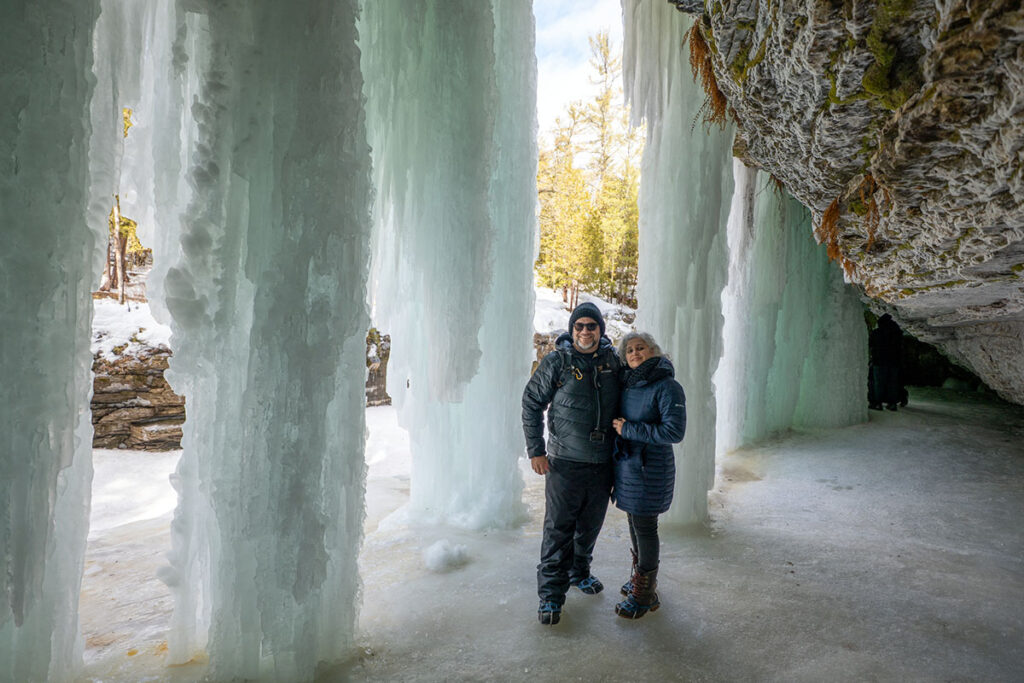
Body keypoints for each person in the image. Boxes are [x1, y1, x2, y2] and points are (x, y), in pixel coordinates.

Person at [522, 301, 621, 626]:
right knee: (558, 529)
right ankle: (550, 595)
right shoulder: (558, 361)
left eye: (591, 326)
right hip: (565, 461)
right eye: (579, 326)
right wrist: (536, 449)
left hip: (602, 463)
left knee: (589, 526)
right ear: (572, 330)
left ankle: (580, 573)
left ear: (600, 330)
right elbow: (532, 402)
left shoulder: (612, 362)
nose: (585, 332)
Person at [610, 331, 686, 619]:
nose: (634, 354)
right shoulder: (630, 384)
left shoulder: (668, 387)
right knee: (634, 522)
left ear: (654, 351)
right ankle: (640, 580)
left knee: (645, 526)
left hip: (650, 467)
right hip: (629, 467)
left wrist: (628, 429)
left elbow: (673, 431)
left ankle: (645, 593)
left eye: (640, 348)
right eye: (629, 351)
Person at [869, 313, 903, 411]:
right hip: (894, 362)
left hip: (879, 362)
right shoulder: (897, 333)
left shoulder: (876, 333)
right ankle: (892, 403)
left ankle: (877, 403)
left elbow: (871, 344)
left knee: (878, 383)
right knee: (892, 383)